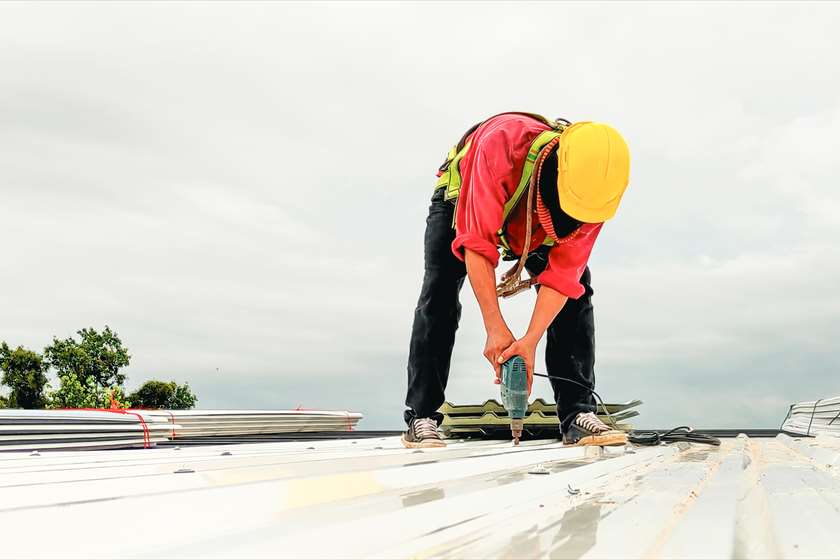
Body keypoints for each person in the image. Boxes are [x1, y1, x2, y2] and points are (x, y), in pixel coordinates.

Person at [402, 112, 631, 448]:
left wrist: (529, 341)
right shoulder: (502, 144)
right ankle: (421, 416)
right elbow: (477, 244)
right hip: (460, 200)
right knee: (439, 291)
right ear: (557, 170)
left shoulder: (598, 194)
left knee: (579, 294)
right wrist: (495, 327)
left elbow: (563, 277)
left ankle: (578, 414)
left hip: (536, 223)